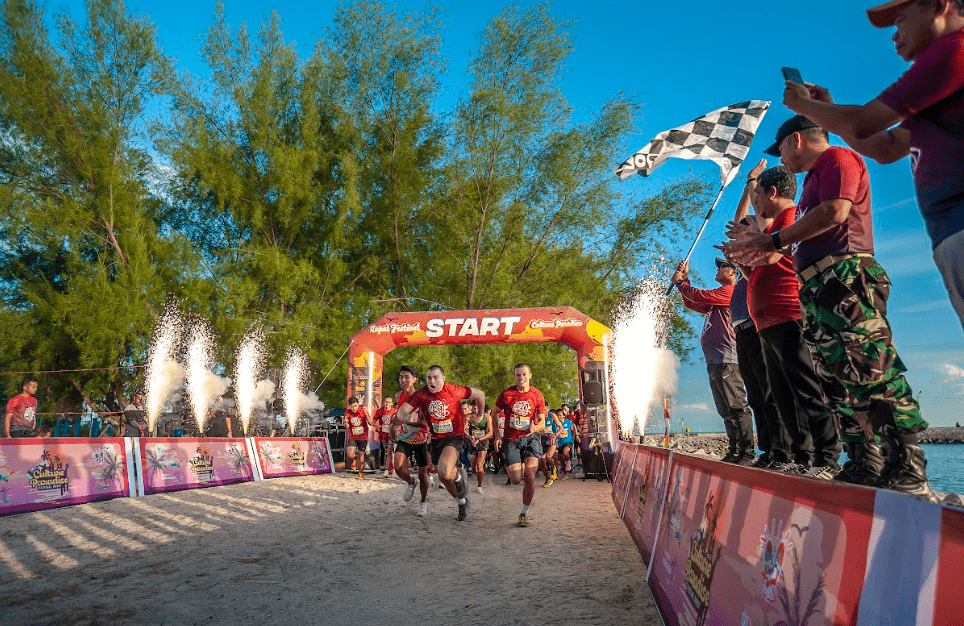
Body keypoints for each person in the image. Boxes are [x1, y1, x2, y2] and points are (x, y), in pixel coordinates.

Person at [725, 115, 934, 500]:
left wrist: (773, 243)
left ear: (798, 140)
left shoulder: (838, 158)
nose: (781, 159)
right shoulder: (809, 186)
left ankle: (906, 461)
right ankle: (863, 460)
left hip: (846, 275)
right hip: (817, 286)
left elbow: (835, 212)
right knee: (836, 379)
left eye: (781, 149)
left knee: (871, 369)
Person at [779, 0, 964, 337]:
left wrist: (803, 106)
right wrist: (829, 111)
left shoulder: (954, 49)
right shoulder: (942, 77)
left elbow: (864, 124)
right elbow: (886, 147)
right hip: (948, 229)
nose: (895, 36)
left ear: (939, 6)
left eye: (901, 20)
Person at [734, 164, 841, 476]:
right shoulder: (770, 228)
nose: (756, 203)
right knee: (782, 395)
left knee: (805, 388)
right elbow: (753, 256)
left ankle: (826, 459)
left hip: (787, 314)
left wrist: (749, 181)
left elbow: (769, 254)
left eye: (758, 195)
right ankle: (801, 457)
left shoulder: (792, 220)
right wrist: (742, 260)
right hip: (765, 322)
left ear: (773, 193)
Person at [727, 162, 792, 469]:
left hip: (763, 322)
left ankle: (783, 451)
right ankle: (767, 449)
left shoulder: (770, 236)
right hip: (746, 325)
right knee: (755, 392)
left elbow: (745, 219)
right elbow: (739, 222)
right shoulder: (748, 261)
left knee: (770, 390)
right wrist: (746, 186)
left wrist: (750, 181)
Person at [671, 259, 755, 464]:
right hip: (715, 360)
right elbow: (692, 301)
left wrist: (682, 283)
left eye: (722, 267)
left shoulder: (729, 291)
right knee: (724, 408)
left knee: (735, 404)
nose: (717, 270)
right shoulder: (717, 299)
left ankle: (747, 452)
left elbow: (698, 295)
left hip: (728, 358)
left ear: (734, 273)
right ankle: (734, 449)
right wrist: (683, 282)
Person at [395, 365, 484, 521]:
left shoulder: (454, 390)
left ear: (443, 378)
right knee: (443, 477)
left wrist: (480, 414)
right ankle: (462, 502)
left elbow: (480, 394)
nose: (432, 381)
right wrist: (408, 418)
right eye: (429, 378)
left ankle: (459, 479)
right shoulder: (422, 394)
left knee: (443, 470)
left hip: (454, 436)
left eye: (435, 377)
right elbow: (402, 411)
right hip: (436, 439)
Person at [493, 363, 548, 527]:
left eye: (524, 374)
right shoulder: (507, 394)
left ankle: (524, 513)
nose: (521, 378)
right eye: (518, 375)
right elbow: (494, 412)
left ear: (530, 375)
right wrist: (497, 434)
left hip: (531, 438)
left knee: (530, 477)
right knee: (516, 480)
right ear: (514, 376)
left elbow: (542, 421)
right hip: (512, 439)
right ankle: (522, 469)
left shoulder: (537, 395)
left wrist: (535, 427)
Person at [392, 366, 430, 517]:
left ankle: (423, 503)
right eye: (401, 377)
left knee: (423, 476)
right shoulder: (398, 395)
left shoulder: (422, 398)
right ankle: (410, 482)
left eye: (406, 377)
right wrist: (394, 428)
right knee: (398, 467)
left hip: (420, 439)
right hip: (404, 438)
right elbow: (397, 417)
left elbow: (423, 423)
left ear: (414, 379)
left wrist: (404, 419)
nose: (403, 380)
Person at [343, 397, 373, 480]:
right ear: (349, 406)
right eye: (352, 407)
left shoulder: (363, 410)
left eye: (355, 406)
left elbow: (371, 423)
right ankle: (354, 458)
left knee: (362, 456)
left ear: (358, 404)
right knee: (350, 454)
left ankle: (360, 473)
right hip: (352, 436)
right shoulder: (347, 413)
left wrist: (367, 414)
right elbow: (347, 426)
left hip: (363, 436)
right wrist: (345, 422)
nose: (354, 408)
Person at [467, 402, 492, 494]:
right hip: (472, 442)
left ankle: (479, 486)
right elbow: (463, 430)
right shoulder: (468, 417)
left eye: (478, 408)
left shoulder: (487, 417)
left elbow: (490, 433)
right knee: (474, 468)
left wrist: (479, 439)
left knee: (479, 464)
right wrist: (469, 437)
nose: (476, 410)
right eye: (474, 408)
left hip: (483, 442)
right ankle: (478, 475)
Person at [373, 396, 397, 477]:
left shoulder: (395, 411)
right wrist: (377, 426)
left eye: (389, 402)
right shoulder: (380, 411)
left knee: (391, 451)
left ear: (392, 404)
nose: (387, 404)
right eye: (386, 402)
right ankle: (389, 468)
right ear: (383, 403)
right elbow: (373, 421)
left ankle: (391, 469)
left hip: (393, 435)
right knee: (388, 452)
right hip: (384, 434)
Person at [556, 411, 576, 479]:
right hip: (560, 442)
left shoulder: (568, 422)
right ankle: (564, 473)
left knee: (565, 452)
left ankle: (568, 461)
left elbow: (573, 426)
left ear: (563, 415)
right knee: (561, 458)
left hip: (568, 441)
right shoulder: (555, 424)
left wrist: (576, 434)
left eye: (560, 415)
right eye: (557, 415)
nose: (559, 417)